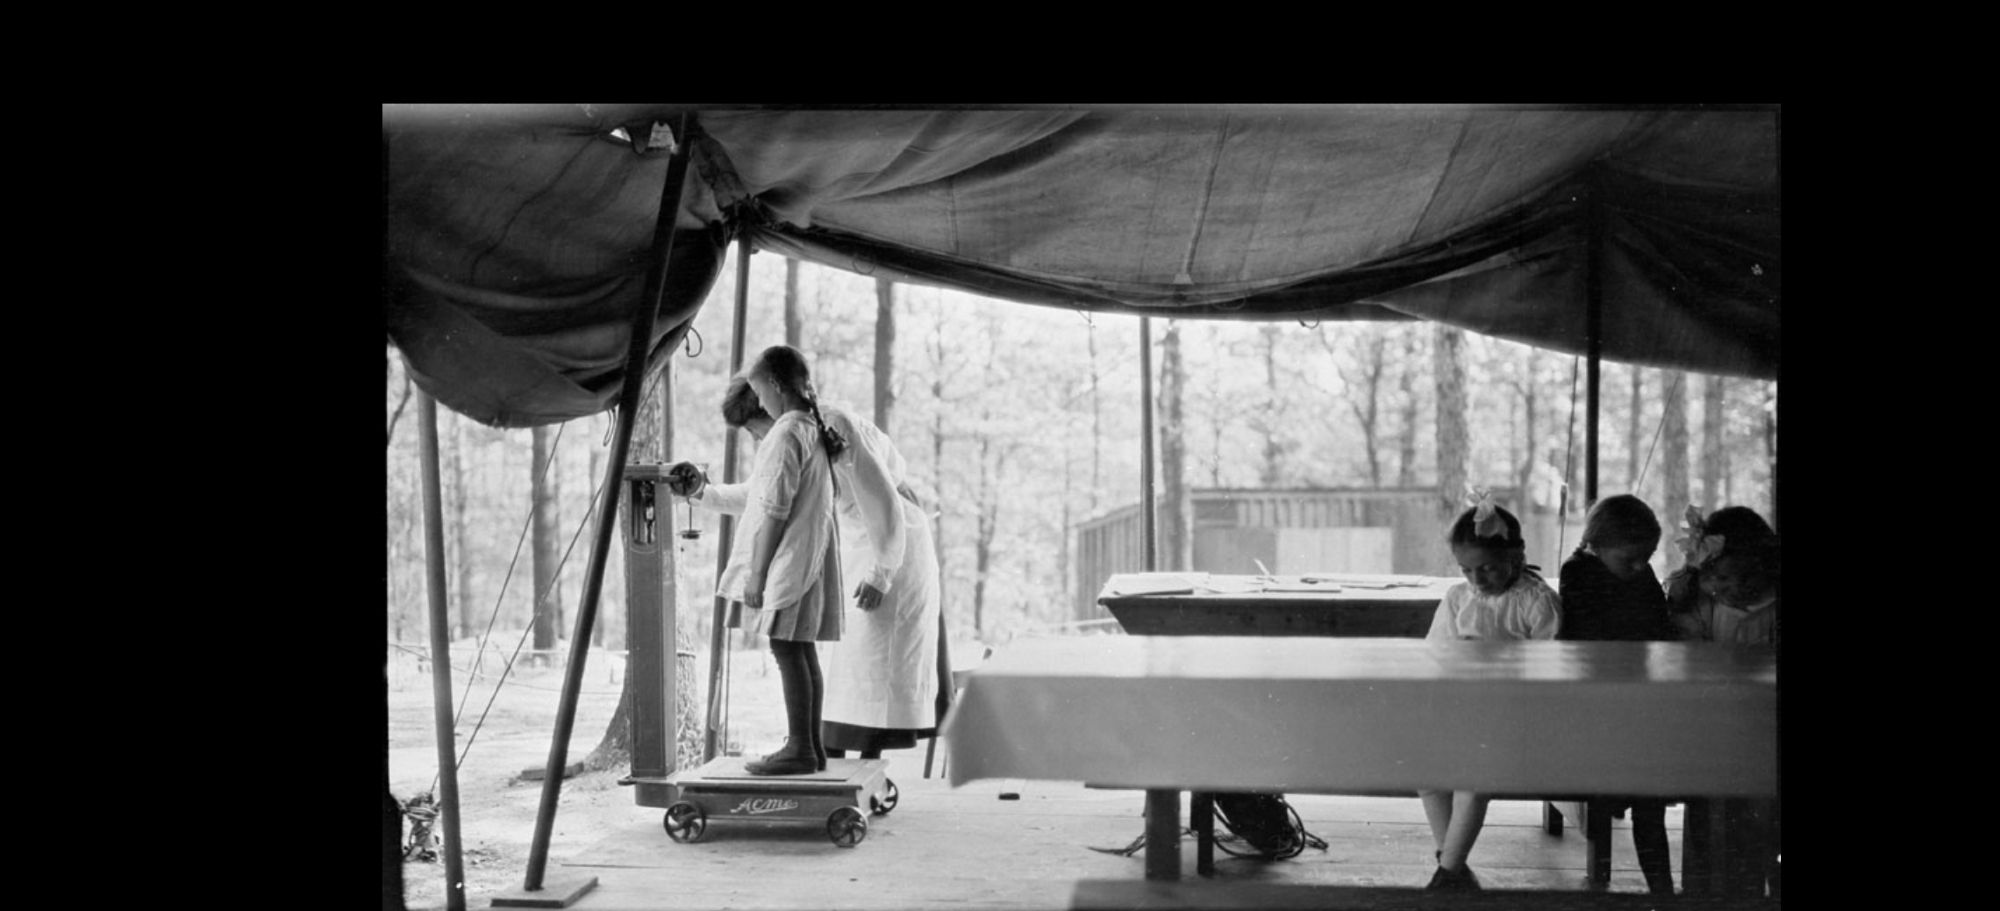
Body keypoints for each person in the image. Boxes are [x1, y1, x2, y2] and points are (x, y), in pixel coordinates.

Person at [674, 374, 945, 763]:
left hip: (893, 544)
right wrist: (704, 493)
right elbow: (763, 492)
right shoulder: (790, 436)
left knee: (872, 658)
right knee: (844, 665)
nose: (756, 440)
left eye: (755, 429)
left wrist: (881, 572)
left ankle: (857, 769)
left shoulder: (832, 425)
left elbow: (883, 502)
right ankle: (826, 760)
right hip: (854, 544)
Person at [681, 345, 846, 776]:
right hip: (807, 553)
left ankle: (800, 748)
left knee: (786, 649)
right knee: (799, 650)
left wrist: (755, 575)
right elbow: (759, 495)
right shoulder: (807, 427)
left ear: (772, 386)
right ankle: (810, 746)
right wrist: (704, 492)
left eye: (758, 389)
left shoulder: (787, 433)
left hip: (790, 558)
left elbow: (772, 509)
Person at [1420, 491, 1561, 891]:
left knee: (1472, 779)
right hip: (1459, 709)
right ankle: (1451, 863)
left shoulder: (1536, 601)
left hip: (1514, 715)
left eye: (1488, 569)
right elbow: (1434, 654)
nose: (1477, 579)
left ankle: (1448, 872)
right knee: (1426, 774)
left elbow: (1550, 666)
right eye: (1467, 570)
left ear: (1516, 556)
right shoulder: (1457, 599)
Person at [1556, 494, 1676, 895]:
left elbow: (1659, 623)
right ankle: (1652, 884)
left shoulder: (1635, 572)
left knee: (1649, 796)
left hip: (1637, 699)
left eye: (1648, 557)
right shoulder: (1578, 571)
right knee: (1641, 788)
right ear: (1598, 545)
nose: (1642, 566)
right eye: (1631, 558)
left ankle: (1660, 887)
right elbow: (1586, 638)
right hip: (1597, 703)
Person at [1663, 504, 1780, 897]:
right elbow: (1686, 653)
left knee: (1762, 810)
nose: (1727, 587)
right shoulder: (1702, 604)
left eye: (1738, 577)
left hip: (1765, 723)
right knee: (1709, 803)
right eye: (1717, 577)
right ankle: (1703, 887)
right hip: (1712, 720)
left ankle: (1760, 876)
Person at [1665, 505, 1780, 647]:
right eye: (1721, 578)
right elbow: (1690, 655)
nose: (1736, 587)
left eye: (1747, 577)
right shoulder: (1699, 604)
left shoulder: (1771, 604)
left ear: (1764, 568)